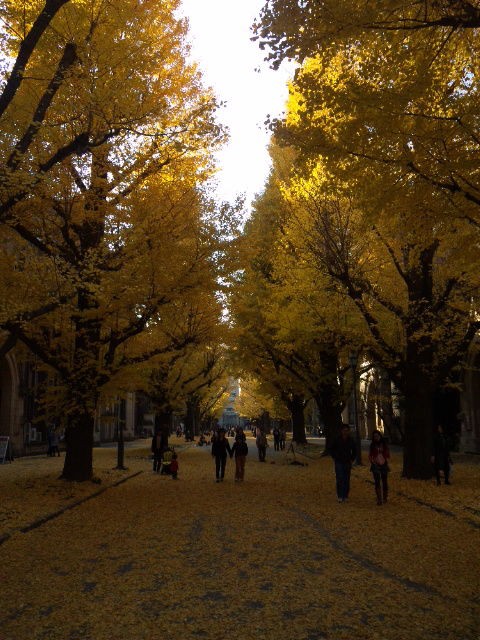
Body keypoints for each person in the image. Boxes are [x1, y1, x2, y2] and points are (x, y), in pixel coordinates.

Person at [331, 424, 357, 503]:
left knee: (346, 479)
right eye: (344, 430)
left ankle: (345, 495)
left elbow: (354, 450)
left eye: (347, 431)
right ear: (341, 431)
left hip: (347, 461)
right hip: (339, 461)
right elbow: (332, 449)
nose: (345, 432)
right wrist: (335, 457)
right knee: (339, 478)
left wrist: (352, 459)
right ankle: (340, 495)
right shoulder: (337, 439)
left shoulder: (351, 440)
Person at [368, 430, 390, 505]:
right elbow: (370, 455)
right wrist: (372, 461)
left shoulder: (384, 444)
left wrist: (383, 451)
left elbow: (387, 454)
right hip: (375, 464)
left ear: (380, 436)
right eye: (375, 437)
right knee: (377, 481)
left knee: (384, 481)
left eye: (377, 436)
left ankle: (385, 497)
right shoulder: (372, 445)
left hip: (383, 464)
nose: (376, 438)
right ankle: (379, 499)